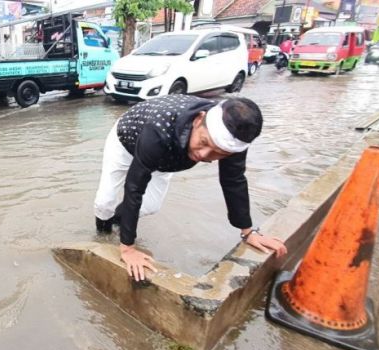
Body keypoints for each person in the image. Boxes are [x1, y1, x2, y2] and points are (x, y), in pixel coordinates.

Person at [94, 95, 287, 281]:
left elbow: (234, 181)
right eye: (204, 143)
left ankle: (118, 221)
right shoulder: (158, 130)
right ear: (198, 119)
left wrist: (248, 232)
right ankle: (102, 235)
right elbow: (134, 187)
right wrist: (128, 249)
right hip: (127, 140)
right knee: (104, 203)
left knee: (151, 206)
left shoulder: (232, 139)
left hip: (165, 159)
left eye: (218, 154)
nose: (203, 155)